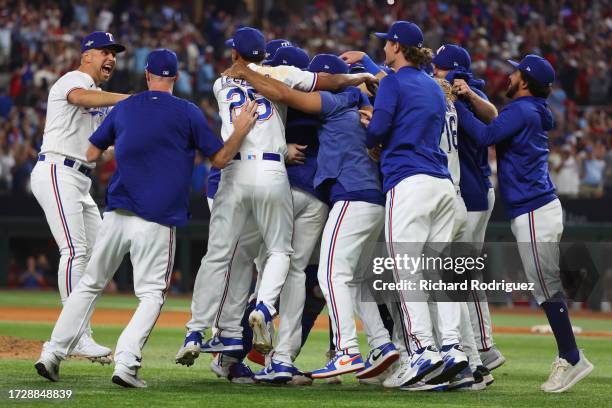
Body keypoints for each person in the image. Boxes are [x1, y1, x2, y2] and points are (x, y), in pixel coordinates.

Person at [34, 49, 258, 388]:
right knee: (152, 294)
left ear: (146, 74)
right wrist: (240, 129)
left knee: (90, 284)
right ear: (176, 77)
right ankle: (126, 363)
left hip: (117, 211)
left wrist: (129, 140)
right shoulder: (188, 111)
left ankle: (51, 354)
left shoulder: (125, 107)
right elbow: (222, 159)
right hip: (157, 216)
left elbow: (92, 152)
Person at [176, 27, 377, 364]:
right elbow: (325, 83)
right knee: (282, 253)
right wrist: (361, 76)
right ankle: (265, 307)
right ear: (263, 55)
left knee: (221, 256)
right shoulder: (281, 74)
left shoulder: (221, 82)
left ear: (236, 55)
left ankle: (201, 330)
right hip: (272, 172)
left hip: (235, 172)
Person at [226, 53, 399, 382]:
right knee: (352, 279)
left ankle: (344, 350)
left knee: (327, 275)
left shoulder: (337, 103)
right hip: (366, 199)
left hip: (349, 196)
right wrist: (368, 67)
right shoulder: (364, 110)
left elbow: (287, 95)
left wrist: (245, 72)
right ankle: (381, 343)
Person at [455, 54, 594, 393]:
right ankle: (570, 355)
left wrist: (456, 104)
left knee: (545, 286)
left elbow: (485, 136)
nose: (510, 74)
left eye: (516, 71)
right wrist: (470, 97)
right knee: (544, 286)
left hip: (534, 209)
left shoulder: (522, 110)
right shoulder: (530, 110)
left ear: (526, 81)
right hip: (536, 208)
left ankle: (572, 357)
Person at [344, 21, 466, 388]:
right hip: (443, 186)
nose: (383, 48)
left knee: (406, 271)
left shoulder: (395, 82)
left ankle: (423, 351)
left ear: (397, 47)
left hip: (409, 181)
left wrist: (370, 132)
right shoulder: (433, 85)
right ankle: (453, 348)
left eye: (387, 44)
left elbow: (379, 130)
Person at [30, 31, 129, 364]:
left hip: (80, 177)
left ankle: (79, 332)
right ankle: (75, 336)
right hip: (58, 169)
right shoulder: (74, 79)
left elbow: (96, 149)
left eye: (114, 53)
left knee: (99, 254)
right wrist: (126, 99)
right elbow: (79, 98)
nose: (111, 58)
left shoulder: (99, 95)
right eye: (105, 52)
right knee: (74, 250)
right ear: (87, 55)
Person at [433, 44, 506, 372]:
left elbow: (492, 117)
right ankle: (481, 345)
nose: (435, 71)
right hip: (475, 192)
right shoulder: (461, 90)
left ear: (454, 69)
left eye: (439, 67)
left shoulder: (465, 91)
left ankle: (482, 348)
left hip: (472, 194)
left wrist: (468, 94)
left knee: (459, 276)